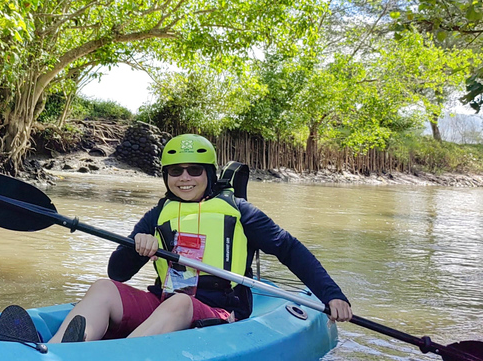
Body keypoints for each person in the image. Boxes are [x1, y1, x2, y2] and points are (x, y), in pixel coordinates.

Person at [44, 134, 352, 343]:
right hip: (164, 303)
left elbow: (289, 249)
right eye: (176, 171)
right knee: (102, 288)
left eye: (194, 170)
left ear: (209, 174)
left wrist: (332, 294)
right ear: (166, 176)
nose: (185, 178)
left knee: (180, 302)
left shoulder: (240, 212)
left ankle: (111, 354)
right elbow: (118, 272)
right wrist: (139, 247)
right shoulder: (159, 213)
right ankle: (58, 352)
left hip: (221, 311)